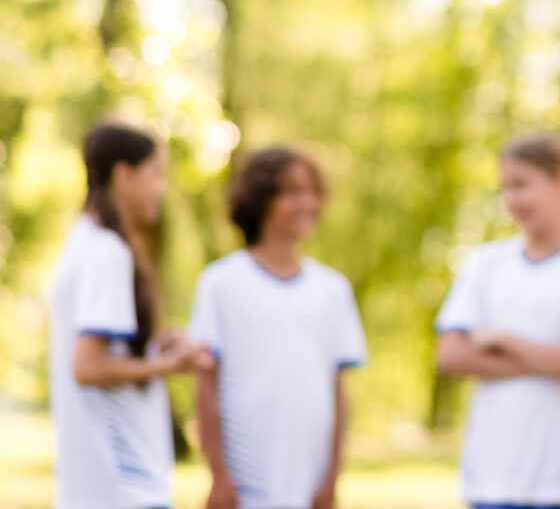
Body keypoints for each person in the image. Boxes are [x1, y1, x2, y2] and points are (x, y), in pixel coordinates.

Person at [435, 132, 560, 509]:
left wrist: (502, 339)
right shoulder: (485, 264)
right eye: (505, 188)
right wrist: (552, 360)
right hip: (489, 478)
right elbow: (450, 356)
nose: (511, 200)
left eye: (521, 185)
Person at [189, 146, 367, 509]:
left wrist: (332, 479)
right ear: (261, 199)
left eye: (313, 192)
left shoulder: (333, 290)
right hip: (245, 484)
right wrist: (219, 477)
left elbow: (336, 390)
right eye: (293, 191)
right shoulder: (221, 283)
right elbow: (205, 383)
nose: (308, 202)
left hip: (308, 484)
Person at [49, 120, 211, 509]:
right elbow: (88, 368)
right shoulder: (108, 251)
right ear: (124, 176)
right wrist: (171, 364)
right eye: (156, 174)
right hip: (122, 489)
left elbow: (102, 354)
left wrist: (153, 348)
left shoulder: (83, 241)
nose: (162, 188)